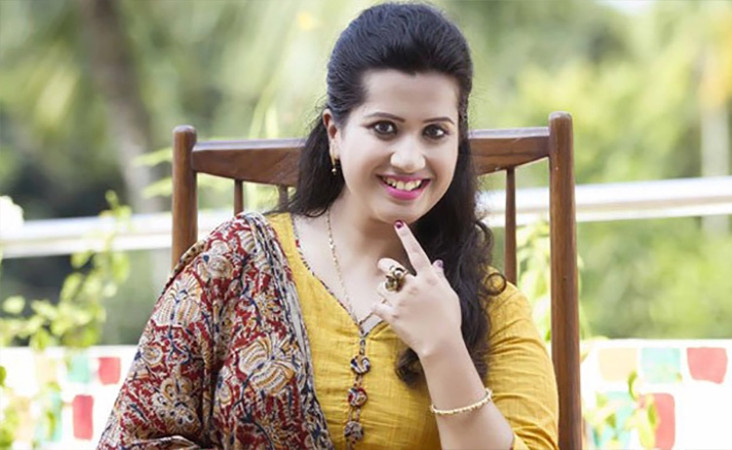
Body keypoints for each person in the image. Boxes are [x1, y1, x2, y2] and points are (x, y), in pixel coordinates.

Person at [99, 3, 558, 449]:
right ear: (335, 133)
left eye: (435, 132)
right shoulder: (235, 261)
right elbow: (134, 437)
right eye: (384, 128)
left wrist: (444, 348)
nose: (409, 158)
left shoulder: (494, 310)